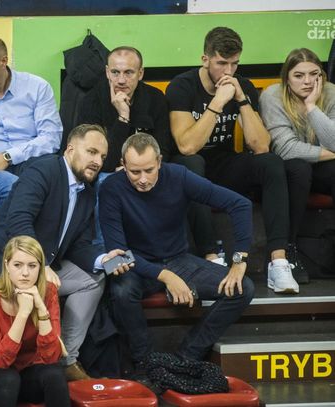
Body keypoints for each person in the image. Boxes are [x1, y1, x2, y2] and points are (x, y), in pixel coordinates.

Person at [0, 124, 129, 381]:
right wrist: (41, 266)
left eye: (102, 157)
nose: (97, 161)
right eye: (91, 152)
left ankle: (66, 359)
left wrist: (102, 259)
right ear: (70, 149)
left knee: (94, 278)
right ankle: (13, 365)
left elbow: (80, 244)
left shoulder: (87, 190)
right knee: (36, 285)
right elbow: (19, 219)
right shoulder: (44, 170)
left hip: (35, 269)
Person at [99, 133, 254, 387]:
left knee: (242, 287)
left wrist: (239, 260)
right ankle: (144, 363)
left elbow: (240, 204)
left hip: (178, 259)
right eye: (135, 172)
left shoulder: (178, 176)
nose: (143, 179)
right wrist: (167, 277)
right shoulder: (111, 187)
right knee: (121, 290)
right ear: (123, 165)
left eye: (149, 170)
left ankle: (186, 358)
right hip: (136, 265)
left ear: (159, 162)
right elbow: (117, 255)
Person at [165, 26, 300, 294]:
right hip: (189, 166)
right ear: (205, 59)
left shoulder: (242, 85)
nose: (228, 71)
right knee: (192, 164)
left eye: (234, 64)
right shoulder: (182, 86)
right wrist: (217, 103)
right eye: (221, 63)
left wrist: (241, 100)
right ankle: (212, 257)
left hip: (223, 165)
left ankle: (278, 261)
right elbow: (187, 146)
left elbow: (260, 146)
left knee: (271, 163)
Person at [77, 46, 178, 245]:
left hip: (147, 169)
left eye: (128, 72)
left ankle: (163, 250)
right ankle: (106, 251)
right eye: (115, 72)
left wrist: (136, 169)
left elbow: (164, 150)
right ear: (107, 72)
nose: (121, 80)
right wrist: (123, 117)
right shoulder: (91, 101)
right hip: (107, 173)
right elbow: (97, 162)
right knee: (106, 181)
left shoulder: (155, 99)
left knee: (176, 175)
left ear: (140, 73)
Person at [0, 35, 63, 218]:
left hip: (30, 163)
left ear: (3, 61)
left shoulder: (37, 88)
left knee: (62, 185)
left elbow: (51, 138)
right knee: (13, 188)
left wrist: (8, 156)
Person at [0, 235, 70, 406]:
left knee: (55, 375)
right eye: (18, 265)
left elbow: (51, 357)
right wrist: (23, 313)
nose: (25, 273)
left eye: (32, 266)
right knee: (8, 378)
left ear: (40, 268)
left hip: (26, 372)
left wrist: (41, 309)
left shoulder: (48, 292)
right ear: (7, 265)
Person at [260, 48, 335, 284]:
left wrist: (312, 106)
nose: (308, 81)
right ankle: (288, 250)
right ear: (287, 78)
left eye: (314, 74)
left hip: (322, 164)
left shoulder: (331, 92)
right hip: (288, 169)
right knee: (299, 169)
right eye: (299, 75)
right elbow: (286, 149)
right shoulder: (273, 96)